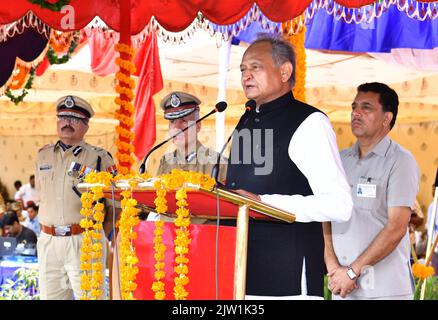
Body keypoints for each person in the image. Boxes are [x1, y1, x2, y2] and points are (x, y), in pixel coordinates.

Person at [223, 34, 353, 299]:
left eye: (255, 67)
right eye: (243, 70)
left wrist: (263, 202)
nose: (246, 75)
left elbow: (339, 205)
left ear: (284, 71)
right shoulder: (246, 122)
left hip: (289, 280)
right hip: (242, 275)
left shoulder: (309, 122)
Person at [324, 82, 420, 300]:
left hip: (385, 291)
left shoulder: (400, 161)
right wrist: (332, 265)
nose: (356, 113)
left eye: (366, 107)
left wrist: (352, 271)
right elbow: (327, 214)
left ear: (387, 118)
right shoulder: (340, 160)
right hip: (343, 287)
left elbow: (396, 228)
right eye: (354, 106)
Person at [35, 95, 116, 300]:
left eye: (75, 118)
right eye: (63, 117)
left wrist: (97, 234)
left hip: (85, 240)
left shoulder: (100, 158)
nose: (67, 123)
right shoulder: (42, 156)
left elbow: (115, 205)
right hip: (48, 241)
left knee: (91, 297)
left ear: (86, 126)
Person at [156, 91, 228, 181]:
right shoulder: (165, 163)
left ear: (198, 126)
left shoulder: (219, 165)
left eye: (184, 120)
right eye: (172, 121)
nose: (177, 127)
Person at [426, 184, 438, 274]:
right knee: (435, 272)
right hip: (435, 245)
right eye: (433, 189)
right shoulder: (432, 206)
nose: (433, 191)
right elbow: (429, 226)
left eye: (435, 189)